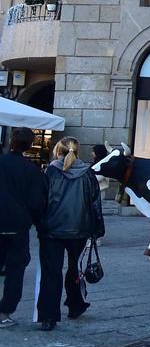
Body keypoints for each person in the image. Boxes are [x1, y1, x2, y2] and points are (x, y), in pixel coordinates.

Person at [36, 137, 104, 331]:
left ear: (58, 150)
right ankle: (75, 305)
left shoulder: (50, 171)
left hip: (52, 229)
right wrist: (98, 228)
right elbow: (95, 202)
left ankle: (48, 316)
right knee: (74, 269)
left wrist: (40, 223)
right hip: (79, 228)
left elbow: (41, 200)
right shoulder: (87, 173)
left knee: (51, 272)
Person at [0, 128, 48, 327]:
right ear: (29, 145)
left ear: (11, 141)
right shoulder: (32, 171)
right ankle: (4, 313)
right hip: (18, 225)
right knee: (15, 270)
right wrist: (39, 225)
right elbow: (37, 202)